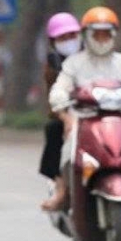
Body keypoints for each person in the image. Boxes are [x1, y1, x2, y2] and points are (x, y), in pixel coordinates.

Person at [47, 6, 121, 210]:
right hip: (85, 119)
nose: (102, 39)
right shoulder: (73, 63)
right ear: (87, 35)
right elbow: (60, 88)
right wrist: (60, 98)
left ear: (113, 35)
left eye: (106, 34)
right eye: (97, 33)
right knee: (69, 149)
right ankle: (66, 191)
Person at [39, 13, 82, 210]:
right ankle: (61, 188)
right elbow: (53, 103)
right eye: (62, 38)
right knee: (54, 129)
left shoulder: (94, 57)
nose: (68, 42)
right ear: (53, 42)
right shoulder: (53, 67)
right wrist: (66, 117)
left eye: (72, 36)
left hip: (101, 111)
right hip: (69, 115)